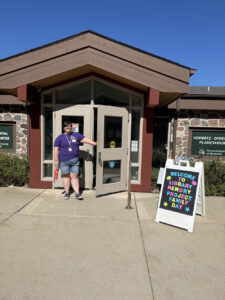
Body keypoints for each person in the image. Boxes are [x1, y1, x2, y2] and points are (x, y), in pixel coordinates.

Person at [54, 121, 96, 200]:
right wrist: (56, 160)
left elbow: (85, 139)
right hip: (63, 161)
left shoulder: (76, 135)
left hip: (74, 160)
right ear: (64, 127)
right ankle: (67, 193)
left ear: (71, 127)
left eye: (69, 126)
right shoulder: (60, 137)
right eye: (66, 126)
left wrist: (94, 143)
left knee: (75, 176)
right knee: (66, 177)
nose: (68, 127)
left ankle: (77, 193)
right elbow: (56, 149)